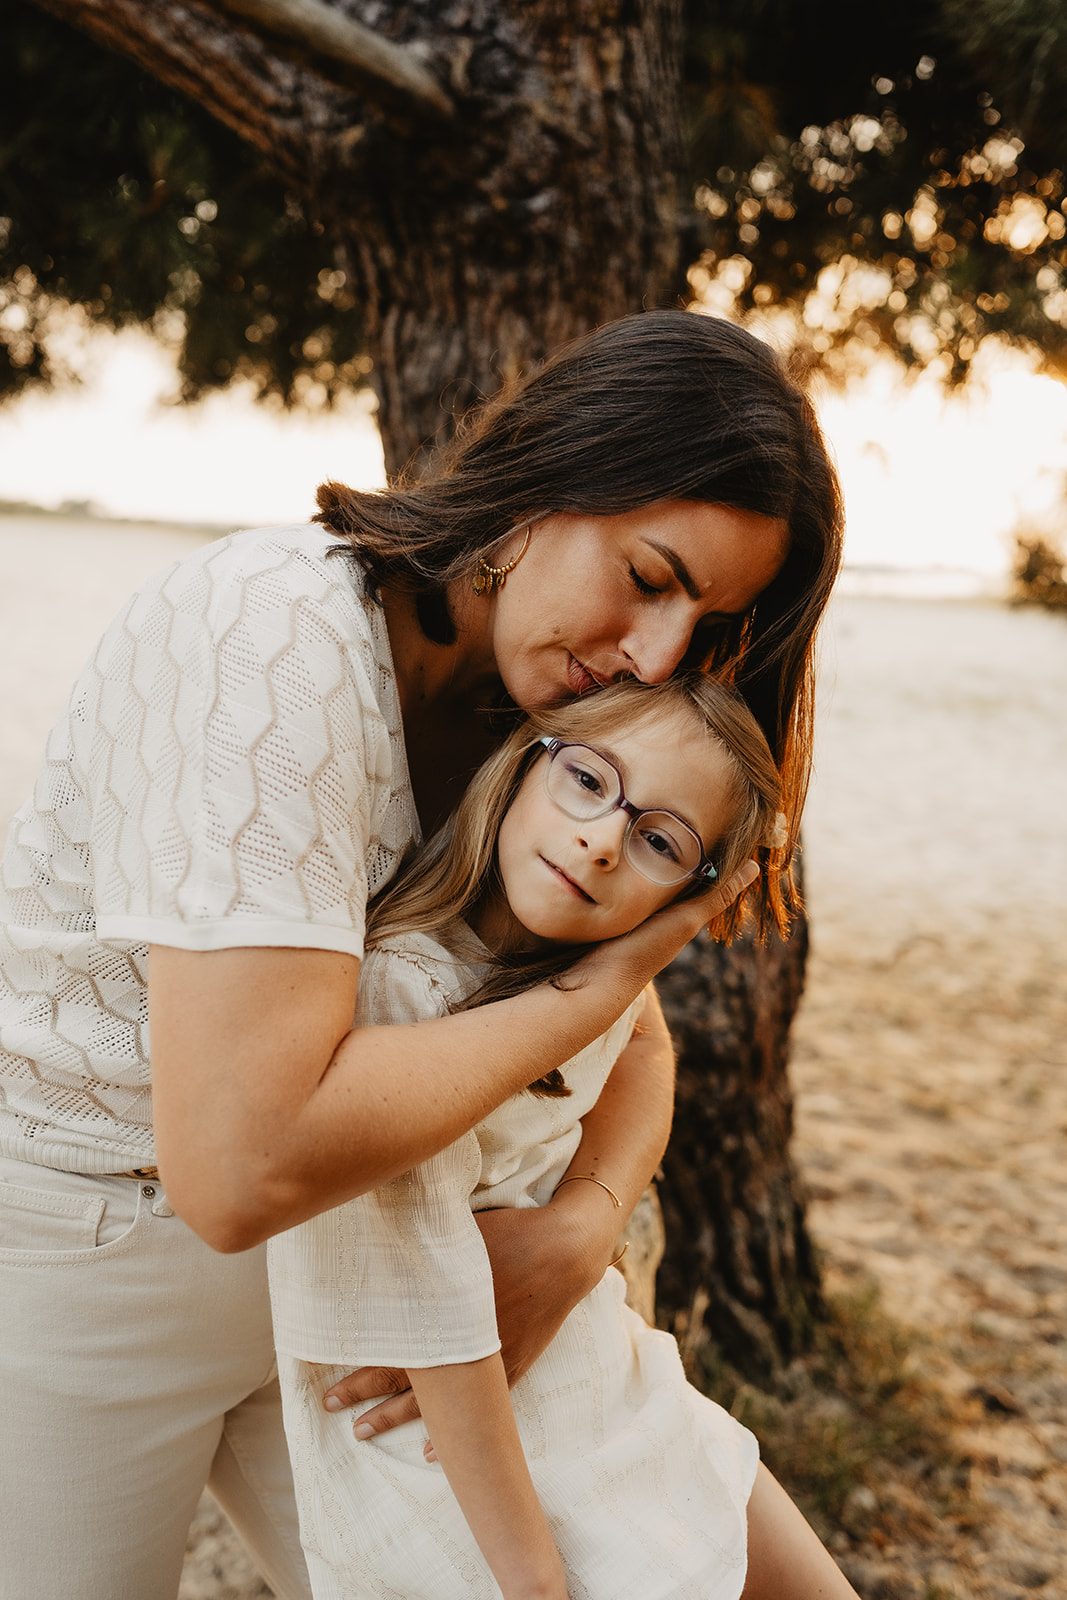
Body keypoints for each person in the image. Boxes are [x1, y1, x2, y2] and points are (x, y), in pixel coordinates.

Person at [0, 309, 843, 1600]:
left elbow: (631, 1045)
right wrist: (602, 981)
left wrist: (579, 1227)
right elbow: (236, 1167)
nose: (655, 656)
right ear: (558, 471)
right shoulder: (269, 633)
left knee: (731, 1572)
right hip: (92, 1260)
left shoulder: (549, 720)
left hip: (381, 1261)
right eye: (650, 574)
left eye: (703, 626)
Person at [270, 673, 860, 1600]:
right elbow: (436, 1319)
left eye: (659, 840)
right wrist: (532, 1580)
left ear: (687, 899)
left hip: (606, 1381)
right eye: (588, 782)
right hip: (458, 1462)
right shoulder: (407, 995)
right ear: (520, 765)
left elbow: (640, 1043)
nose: (600, 841)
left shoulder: (591, 975)